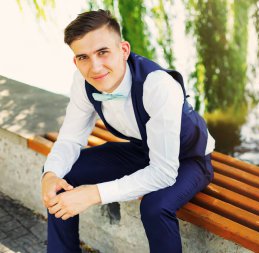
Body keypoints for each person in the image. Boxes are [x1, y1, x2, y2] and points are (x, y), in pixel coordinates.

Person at [40, 9, 215, 253]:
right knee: (60, 174)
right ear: (75, 61)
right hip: (141, 149)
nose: (95, 67)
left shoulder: (158, 86)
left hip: (188, 159)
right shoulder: (83, 82)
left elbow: (164, 173)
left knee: (155, 207)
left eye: (102, 52)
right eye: (83, 57)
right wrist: (49, 175)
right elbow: (70, 138)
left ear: (123, 50)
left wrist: (94, 194)